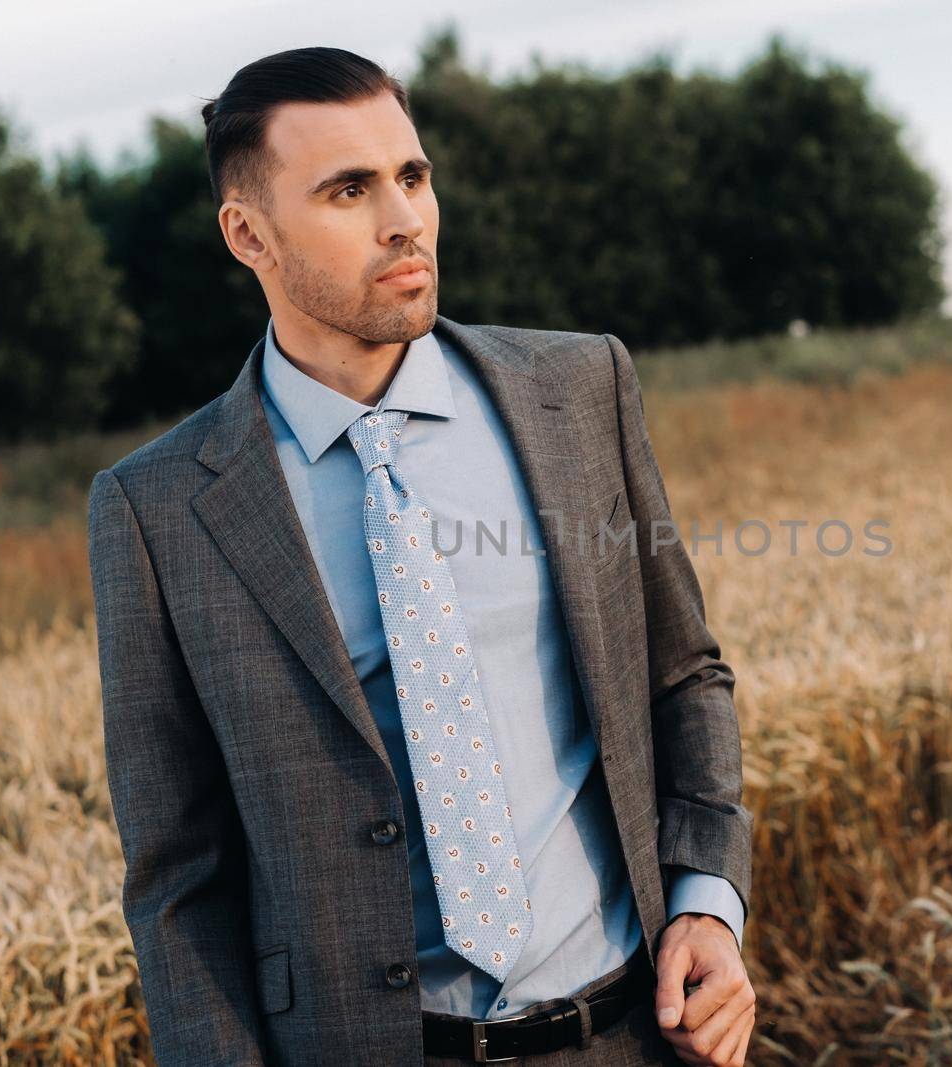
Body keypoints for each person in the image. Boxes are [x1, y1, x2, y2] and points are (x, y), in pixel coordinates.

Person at [86, 46, 754, 1066]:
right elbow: (178, 879)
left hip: (638, 1032)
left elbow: (683, 673)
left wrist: (708, 903)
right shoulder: (158, 506)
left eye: (412, 175)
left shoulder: (578, 390)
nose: (402, 217)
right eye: (348, 189)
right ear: (247, 233)